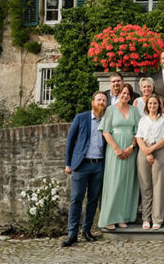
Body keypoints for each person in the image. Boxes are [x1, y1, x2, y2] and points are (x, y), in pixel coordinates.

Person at [63, 91, 108, 247]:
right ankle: (72, 234)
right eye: (98, 99)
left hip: (99, 164)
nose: (101, 102)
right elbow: (70, 140)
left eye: (104, 100)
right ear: (92, 102)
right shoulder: (81, 118)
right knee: (76, 199)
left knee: (93, 199)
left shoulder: (107, 120)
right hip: (81, 165)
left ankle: (86, 231)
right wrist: (68, 163)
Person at [99, 85, 141, 230]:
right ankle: (110, 217)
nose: (125, 96)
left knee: (127, 183)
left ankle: (122, 216)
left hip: (130, 150)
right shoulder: (110, 110)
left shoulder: (134, 111)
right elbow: (106, 131)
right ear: (119, 94)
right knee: (114, 183)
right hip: (114, 150)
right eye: (123, 93)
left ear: (130, 96)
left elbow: (138, 131)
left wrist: (131, 147)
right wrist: (117, 149)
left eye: (128, 94)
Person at [135, 94, 164, 230]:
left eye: (155, 104)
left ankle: (157, 218)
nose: (152, 106)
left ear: (159, 105)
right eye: (150, 104)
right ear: (147, 106)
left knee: (159, 186)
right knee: (145, 186)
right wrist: (146, 151)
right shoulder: (143, 120)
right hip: (144, 151)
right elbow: (138, 136)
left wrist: (151, 150)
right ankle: (146, 218)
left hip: (160, 150)